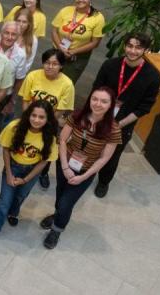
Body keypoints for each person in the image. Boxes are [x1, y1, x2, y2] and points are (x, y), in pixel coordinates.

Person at [40, 87, 121, 249]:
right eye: (95, 99)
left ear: (111, 105)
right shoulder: (77, 116)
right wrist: (64, 167)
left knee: (66, 203)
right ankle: (57, 215)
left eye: (104, 101)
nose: (98, 104)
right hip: (65, 163)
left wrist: (84, 177)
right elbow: (62, 140)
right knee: (60, 195)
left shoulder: (113, 129)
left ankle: (57, 229)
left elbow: (104, 158)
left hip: (85, 171)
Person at [91, 32, 160, 198]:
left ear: (146, 49)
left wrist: (119, 124)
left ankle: (103, 182)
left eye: (138, 47)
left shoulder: (152, 76)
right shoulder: (110, 65)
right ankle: (84, 173)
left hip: (124, 124)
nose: (133, 51)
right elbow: (96, 90)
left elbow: (145, 107)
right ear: (124, 45)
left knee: (112, 155)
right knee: (91, 147)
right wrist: (95, 116)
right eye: (130, 46)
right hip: (99, 116)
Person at [0, 101, 58, 243]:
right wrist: (9, 173)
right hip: (13, 166)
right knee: (4, 200)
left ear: (48, 119)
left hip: (32, 170)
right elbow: (6, 149)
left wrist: (26, 179)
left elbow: (44, 161)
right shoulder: (14, 127)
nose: (36, 120)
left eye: (41, 117)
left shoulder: (50, 137)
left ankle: (14, 213)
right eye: (33, 115)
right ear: (28, 115)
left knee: (21, 196)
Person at [18, 49, 75, 190]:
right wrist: (28, 119)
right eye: (47, 63)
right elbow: (25, 99)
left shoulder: (67, 84)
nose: (50, 66)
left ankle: (43, 173)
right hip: (29, 119)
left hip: (50, 123)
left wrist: (44, 122)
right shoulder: (33, 76)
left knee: (47, 150)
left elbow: (61, 109)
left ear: (61, 66)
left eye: (55, 64)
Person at [50, 0, 105, 85]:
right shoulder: (66, 10)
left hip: (77, 57)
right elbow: (54, 31)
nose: (80, 0)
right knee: (49, 77)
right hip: (57, 51)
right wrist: (60, 48)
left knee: (66, 83)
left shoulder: (98, 17)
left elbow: (95, 43)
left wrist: (72, 52)